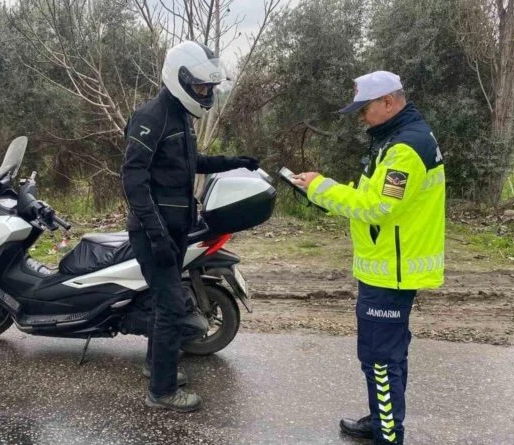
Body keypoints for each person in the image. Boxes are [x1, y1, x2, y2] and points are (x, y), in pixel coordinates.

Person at [293, 71, 445, 444]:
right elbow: (370, 197)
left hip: (391, 272)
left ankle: (388, 434)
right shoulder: (395, 140)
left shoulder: (406, 148)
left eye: (365, 109)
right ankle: (382, 421)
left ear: (389, 103)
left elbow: (379, 207)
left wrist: (322, 189)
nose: (361, 118)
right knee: (388, 356)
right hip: (386, 266)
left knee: (380, 360)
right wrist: (322, 192)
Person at [121, 40, 259, 413]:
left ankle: (156, 365)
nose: (205, 93)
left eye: (208, 88)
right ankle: (161, 392)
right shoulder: (151, 116)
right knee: (169, 307)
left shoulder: (180, 115)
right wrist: (155, 233)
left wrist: (233, 162)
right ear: (177, 78)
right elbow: (133, 177)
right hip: (155, 232)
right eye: (200, 87)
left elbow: (188, 162)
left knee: (165, 302)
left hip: (176, 228)